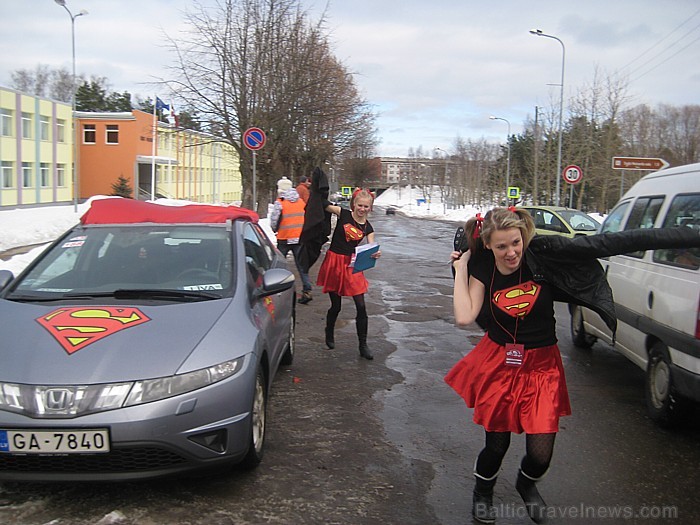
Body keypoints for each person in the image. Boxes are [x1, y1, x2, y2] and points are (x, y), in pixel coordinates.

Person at [445, 206, 700, 524]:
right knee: (496, 444)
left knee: (540, 453)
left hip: (542, 365)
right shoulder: (482, 265)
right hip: (501, 363)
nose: (511, 252)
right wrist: (464, 267)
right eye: (501, 246)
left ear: (523, 236)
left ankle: (527, 482)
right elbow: (464, 315)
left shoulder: (544, 254)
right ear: (489, 246)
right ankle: (483, 493)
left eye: (515, 243)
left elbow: (613, 242)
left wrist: (692, 236)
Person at [317, 188, 381, 360]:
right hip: (334, 263)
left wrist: (374, 253)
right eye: (360, 205)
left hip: (352, 266)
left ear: (370, 208)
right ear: (354, 204)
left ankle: (363, 345)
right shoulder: (343, 214)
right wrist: (318, 190)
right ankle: (329, 331)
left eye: (366, 206)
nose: (362, 209)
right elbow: (323, 205)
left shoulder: (368, 227)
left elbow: (371, 246)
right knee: (336, 306)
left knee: (361, 306)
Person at [270, 183, 313, 304]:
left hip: (284, 237)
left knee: (277, 265)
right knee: (301, 265)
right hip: (299, 238)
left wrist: (274, 229)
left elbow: (274, 220)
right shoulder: (300, 202)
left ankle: (276, 291)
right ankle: (307, 290)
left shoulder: (281, 202)